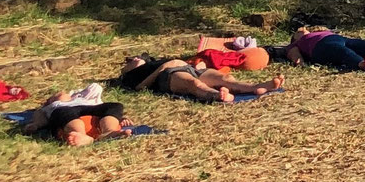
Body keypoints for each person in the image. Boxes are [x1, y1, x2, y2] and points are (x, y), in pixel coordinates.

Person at [118, 55, 284, 102]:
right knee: (193, 84)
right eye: (131, 61)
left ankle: (256, 87)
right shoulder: (131, 75)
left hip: (188, 67)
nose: (134, 59)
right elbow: (141, 87)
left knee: (224, 78)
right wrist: (163, 67)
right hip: (168, 75)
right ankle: (216, 95)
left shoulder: (151, 62)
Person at [17, 84, 128, 146]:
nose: (62, 93)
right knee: (65, 113)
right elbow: (39, 114)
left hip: (90, 108)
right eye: (56, 95)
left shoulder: (85, 99)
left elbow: (106, 109)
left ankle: (109, 132)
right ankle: (82, 136)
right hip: (65, 111)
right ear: (51, 100)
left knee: (116, 105)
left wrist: (119, 118)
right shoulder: (53, 106)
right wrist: (36, 124)